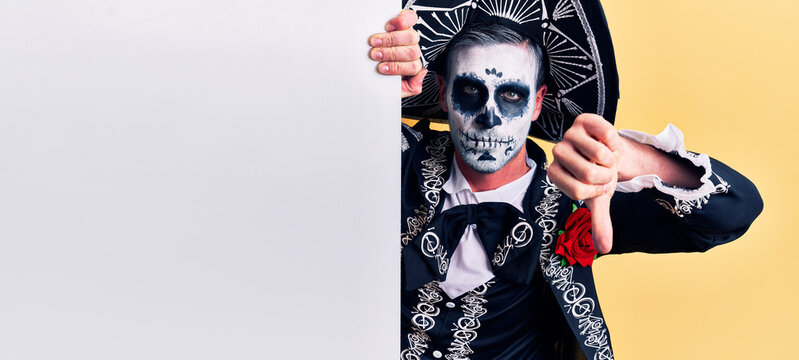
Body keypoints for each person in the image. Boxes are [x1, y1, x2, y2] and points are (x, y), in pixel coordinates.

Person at [369, 8, 762, 360]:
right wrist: (368, 89)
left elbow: (735, 211)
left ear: (538, 103)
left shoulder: (580, 196)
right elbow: (314, 143)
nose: (490, 119)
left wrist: (626, 155)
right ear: (443, 93)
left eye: (510, 95)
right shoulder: (394, 160)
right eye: (471, 90)